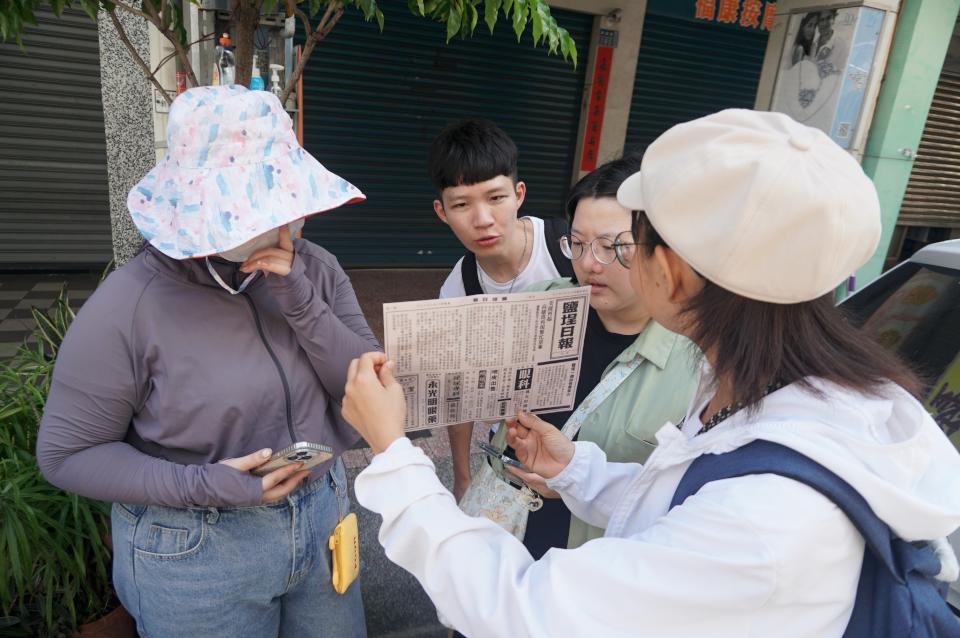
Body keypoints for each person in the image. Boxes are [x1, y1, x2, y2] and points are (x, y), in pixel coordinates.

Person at [340, 109, 960, 637]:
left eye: (631, 240)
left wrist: (393, 452)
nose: (599, 262)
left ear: (676, 271)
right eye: (580, 243)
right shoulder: (802, 394)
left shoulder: (764, 520)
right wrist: (579, 469)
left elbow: (528, 609)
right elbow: (686, 503)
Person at [36, 86, 376, 637]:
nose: (285, 224)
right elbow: (67, 455)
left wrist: (299, 299)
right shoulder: (129, 305)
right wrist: (205, 484)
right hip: (196, 547)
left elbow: (366, 383)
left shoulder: (317, 269)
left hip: (323, 512)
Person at [495, 154, 697, 557]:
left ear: (662, 250)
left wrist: (575, 479)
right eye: (578, 244)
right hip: (501, 529)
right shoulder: (539, 304)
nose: (588, 263)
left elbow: (688, 497)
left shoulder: (697, 361)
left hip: (592, 558)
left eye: (611, 246)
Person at [427, 118, 572, 501]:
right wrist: (462, 476)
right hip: (517, 451)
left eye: (496, 198)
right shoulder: (459, 290)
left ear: (519, 193)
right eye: (462, 204)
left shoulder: (569, 249)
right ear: (442, 211)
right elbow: (457, 394)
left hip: (591, 443)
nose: (483, 219)